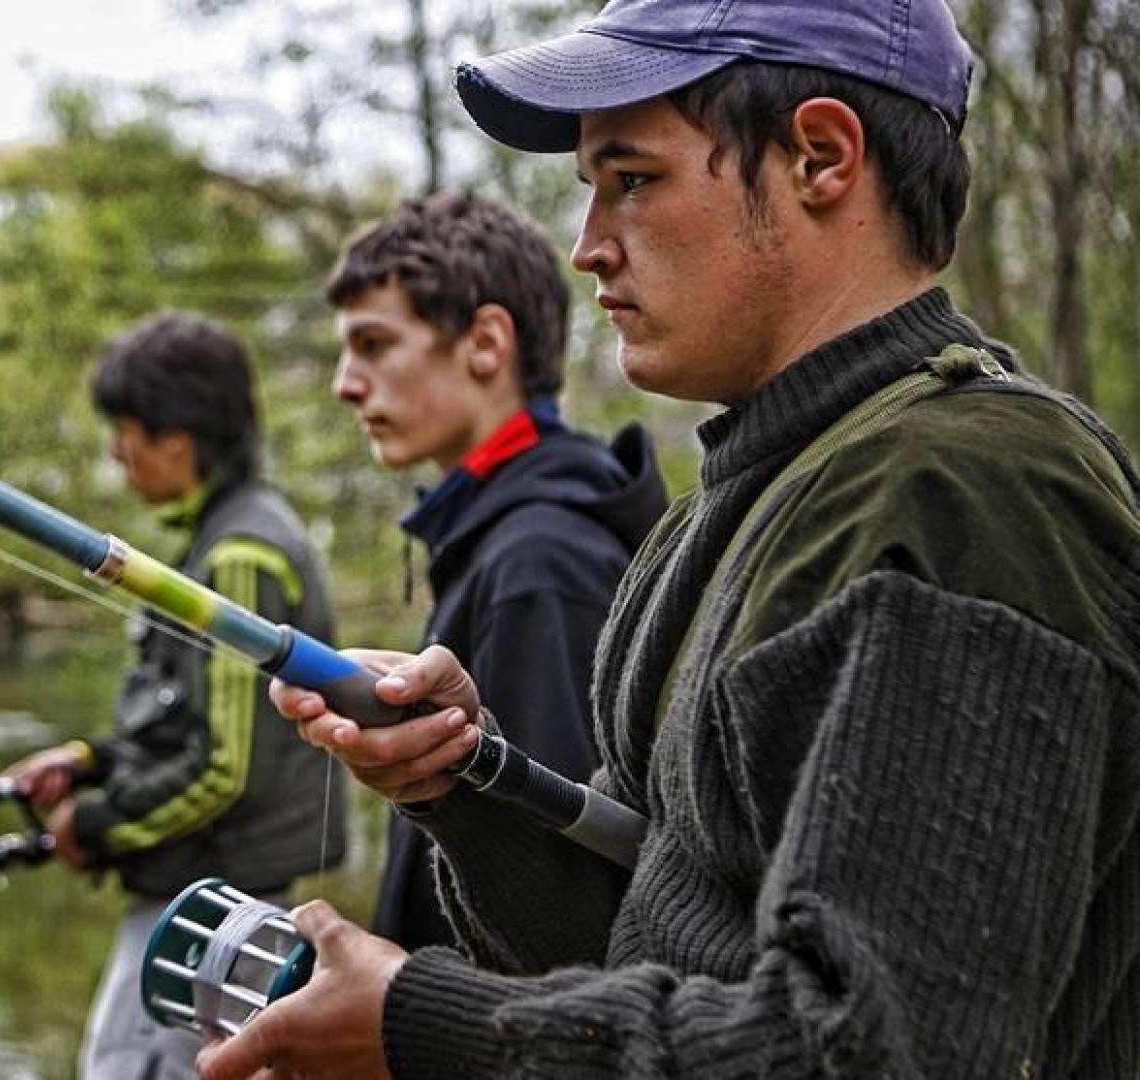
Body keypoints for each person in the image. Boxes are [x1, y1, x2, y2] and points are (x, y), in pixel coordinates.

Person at [198, 1, 1140, 1077]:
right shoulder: (733, 504)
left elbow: (878, 1051)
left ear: (821, 157)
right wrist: (460, 784)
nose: (588, 246)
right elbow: (650, 942)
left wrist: (424, 1023)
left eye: (633, 179)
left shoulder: (967, 491)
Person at [1, 312, 346, 1080]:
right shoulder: (221, 537)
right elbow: (182, 723)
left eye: (124, 432)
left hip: (207, 913)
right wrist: (89, 762)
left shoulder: (241, 555)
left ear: (178, 438)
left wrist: (93, 822)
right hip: (200, 898)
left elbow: (226, 769)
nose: (116, 455)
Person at [324, 189, 665, 952]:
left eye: (373, 345)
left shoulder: (540, 564)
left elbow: (568, 903)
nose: (345, 382)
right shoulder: (495, 538)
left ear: (485, 343)